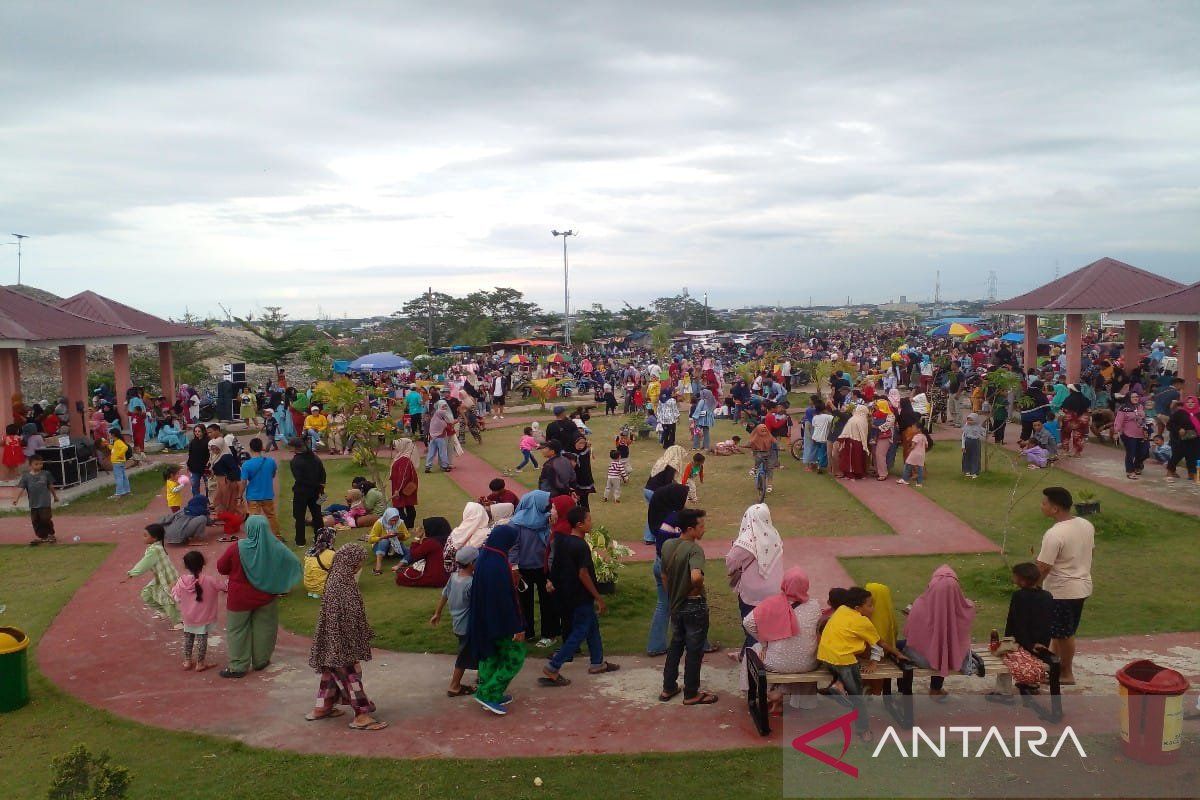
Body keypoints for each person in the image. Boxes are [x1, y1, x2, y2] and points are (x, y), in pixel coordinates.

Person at [305, 544, 388, 730]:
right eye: (359, 562)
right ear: (350, 562)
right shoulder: (341, 584)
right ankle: (361, 714)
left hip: (334, 638)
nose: (360, 566)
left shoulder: (338, 578)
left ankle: (323, 707)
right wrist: (348, 640)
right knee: (350, 674)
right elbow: (343, 615)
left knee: (331, 672)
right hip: (340, 640)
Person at [817, 586, 909, 741]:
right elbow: (880, 643)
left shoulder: (841, 611)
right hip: (843, 660)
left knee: (849, 664)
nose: (873, 609)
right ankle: (864, 729)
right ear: (858, 608)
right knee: (858, 697)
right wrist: (898, 654)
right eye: (870, 605)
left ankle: (838, 685)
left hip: (825, 657)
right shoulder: (862, 621)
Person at [217, 515, 302, 678]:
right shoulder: (275, 546)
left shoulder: (237, 547)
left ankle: (238, 666)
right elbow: (293, 562)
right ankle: (261, 661)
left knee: (237, 630)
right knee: (265, 628)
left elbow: (221, 567)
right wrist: (282, 583)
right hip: (266, 596)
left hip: (239, 598)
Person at [541, 507, 619, 685]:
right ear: (580, 524)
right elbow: (583, 574)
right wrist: (598, 597)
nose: (591, 523)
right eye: (589, 520)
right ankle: (553, 666)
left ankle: (597, 662)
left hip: (567, 593)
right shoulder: (581, 545)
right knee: (580, 631)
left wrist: (550, 581)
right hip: (581, 595)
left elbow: (556, 566)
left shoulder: (563, 541)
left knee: (592, 627)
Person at [465, 524, 526, 716]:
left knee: (491, 654)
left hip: (485, 619)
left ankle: (490, 690)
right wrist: (517, 626)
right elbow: (504, 600)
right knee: (514, 657)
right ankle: (488, 693)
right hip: (501, 622)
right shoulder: (497, 564)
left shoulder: (486, 555)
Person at [741, 567, 821, 714]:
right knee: (801, 650)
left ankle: (760, 694)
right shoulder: (815, 606)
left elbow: (747, 623)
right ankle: (800, 701)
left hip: (776, 663)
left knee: (752, 651)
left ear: (784, 583)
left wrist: (764, 642)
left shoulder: (771, 603)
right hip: (809, 664)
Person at [659, 508, 718, 706]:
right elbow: (695, 576)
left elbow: (664, 575)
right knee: (694, 651)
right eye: (702, 526)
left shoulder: (667, 545)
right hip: (694, 606)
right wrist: (697, 586)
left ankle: (668, 687)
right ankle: (691, 693)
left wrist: (674, 594)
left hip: (676, 606)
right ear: (691, 529)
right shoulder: (695, 550)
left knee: (675, 646)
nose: (705, 530)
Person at [1036, 486, 1094, 686]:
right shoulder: (1085, 525)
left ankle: (1066, 673)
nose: (1041, 506)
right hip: (1082, 587)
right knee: (1058, 632)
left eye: (1044, 503)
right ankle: (1052, 668)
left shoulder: (1054, 534)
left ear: (1055, 509)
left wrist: (1034, 586)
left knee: (1064, 634)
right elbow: (1090, 552)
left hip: (1062, 591)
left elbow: (1043, 566)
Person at [902, 565, 978, 697]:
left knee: (901, 645)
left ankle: (903, 691)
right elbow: (967, 607)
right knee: (943, 646)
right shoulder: (965, 608)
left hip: (924, 660)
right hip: (954, 658)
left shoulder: (919, 604)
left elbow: (908, 632)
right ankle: (936, 689)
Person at [988, 562, 1054, 702]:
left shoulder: (1019, 596)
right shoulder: (1047, 596)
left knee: (1004, 654)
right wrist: (1040, 644)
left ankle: (1003, 692)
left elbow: (1015, 623)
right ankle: (1031, 684)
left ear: (1022, 580)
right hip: (1041, 646)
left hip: (1023, 644)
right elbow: (1048, 623)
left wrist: (1008, 642)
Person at [726, 503, 785, 650]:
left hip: (753, 593)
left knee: (751, 626)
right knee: (769, 627)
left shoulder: (746, 540)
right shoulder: (773, 533)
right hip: (775, 590)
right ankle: (760, 655)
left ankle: (752, 659)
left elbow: (731, 561)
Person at [508, 490, 559, 647]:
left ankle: (549, 634)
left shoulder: (547, 519)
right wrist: (514, 568)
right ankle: (527, 632)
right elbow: (514, 546)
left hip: (540, 567)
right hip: (525, 568)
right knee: (525, 601)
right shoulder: (516, 523)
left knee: (547, 601)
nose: (548, 507)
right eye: (545, 504)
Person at [430, 545, 479, 697]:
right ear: (472, 563)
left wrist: (437, 613)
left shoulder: (454, 577)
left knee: (476, 651)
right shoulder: (471, 583)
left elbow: (445, 594)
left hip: (458, 625)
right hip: (467, 627)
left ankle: (482, 677)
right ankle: (454, 686)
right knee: (463, 657)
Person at [170, 550, 227, 672]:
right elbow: (224, 586)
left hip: (188, 617)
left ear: (185, 566)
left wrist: (175, 590)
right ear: (203, 563)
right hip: (204, 617)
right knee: (202, 640)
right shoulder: (210, 580)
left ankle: (187, 661)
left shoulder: (181, 581)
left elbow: (176, 597)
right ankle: (200, 663)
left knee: (188, 638)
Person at [122, 523, 182, 627]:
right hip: (161, 578)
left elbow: (144, 564)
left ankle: (178, 622)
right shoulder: (156, 547)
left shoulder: (154, 550)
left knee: (167, 600)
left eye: (145, 535)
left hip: (167, 579)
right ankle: (164, 612)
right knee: (146, 594)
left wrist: (131, 574)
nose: (143, 538)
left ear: (154, 538)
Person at [643, 445, 687, 543]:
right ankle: (660, 537)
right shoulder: (672, 464)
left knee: (652, 514)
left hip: (648, 489)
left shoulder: (661, 461)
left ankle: (649, 538)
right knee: (663, 515)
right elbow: (667, 482)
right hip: (656, 492)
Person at [13, 454, 58, 545]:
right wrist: (16, 499)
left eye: (41, 464)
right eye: (36, 464)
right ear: (30, 465)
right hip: (33, 503)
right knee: (35, 520)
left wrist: (55, 496)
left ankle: (51, 534)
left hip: (45, 502)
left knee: (45, 518)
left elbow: (50, 486)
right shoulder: (26, 477)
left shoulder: (46, 474)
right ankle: (42, 536)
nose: (39, 466)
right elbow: (21, 488)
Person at [395, 516, 451, 588]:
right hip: (450, 576)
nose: (425, 530)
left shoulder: (431, 542)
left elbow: (414, 555)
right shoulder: (451, 539)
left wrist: (417, 537)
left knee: (401, 577)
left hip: (436, 578)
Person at [290, 438, 326, 548]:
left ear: (295, 448)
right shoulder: (315, 458)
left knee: (299, 516)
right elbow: (323, 474)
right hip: (316, 491)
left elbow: (298, 478)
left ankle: (300, 540)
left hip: (301, 492)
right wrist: (320, 487)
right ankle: (320, 538)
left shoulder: (295, 461)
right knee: (317, 515)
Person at [241, 438, 280, 537]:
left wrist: (239, 495)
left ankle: (255, 538)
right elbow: (273, 474)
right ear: (261, 447)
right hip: (267, 494)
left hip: (253, 496)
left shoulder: (246, 465)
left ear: (250, 448)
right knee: (271, 517)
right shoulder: (271, 461)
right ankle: (276, 537)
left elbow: (244, 482)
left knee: (254, 519)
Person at [443, 502, 492, 569]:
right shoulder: (487, 534)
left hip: (452, 572)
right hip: (471, 574)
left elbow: (446, 556)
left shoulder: (456, 531)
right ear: (483, 514)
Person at [1165, 395, 1200, 483]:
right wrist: (1178, 429)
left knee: (1193, 457)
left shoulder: (1199, 413)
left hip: (1195, 439)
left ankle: (1192, 474)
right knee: (1177, 455)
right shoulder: (1180, 413)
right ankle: (1170, 471)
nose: (1190, 404)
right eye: (1188, 402)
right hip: (1181, 439)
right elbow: (1169, 424)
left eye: (1192, 402)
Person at [1113, 393, 1148, 479]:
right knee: (1130, 453)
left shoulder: (1140, 406)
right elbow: (1118, 421)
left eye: (1137, 396)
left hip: (1140, 434)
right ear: (1129, 398)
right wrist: (1116, 432)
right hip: (1128, 434)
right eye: (1133, 397)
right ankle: (1130, 471)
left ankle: (1137, 466)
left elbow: (1143, 419)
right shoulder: (1123, 408)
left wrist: (1146, 429)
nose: (1136, 398)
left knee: (1144, 452)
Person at [388, 438, 420, 529]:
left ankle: (406, 525)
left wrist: (398, 489)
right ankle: (408, 525)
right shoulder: (403, 457)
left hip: (402, 488)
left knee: (401, 507)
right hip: (402, 486)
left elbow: (403, 476)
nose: (395, 448)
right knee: (408, 506)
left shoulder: (404, 459)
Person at [367, 507, 409, 575]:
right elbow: (370, 540)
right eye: (392, 520)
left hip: (395, 546)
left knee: (411, 551)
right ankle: (378, 568)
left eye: (396, 520)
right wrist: (384, 537)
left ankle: (398, 566)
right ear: (387, 517)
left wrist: (401, 536)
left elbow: (407, 535)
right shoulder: (379, 523)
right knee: (385, 541)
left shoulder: (400, 522)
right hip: (379, 547)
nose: (394, 522)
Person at [836, 405, 870, 480]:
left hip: (851, 441)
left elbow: (846, 431)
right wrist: (865, 444)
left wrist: (841, 439)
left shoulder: (854, 419)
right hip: (860, 442)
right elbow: (864, 433)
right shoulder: (864, 420)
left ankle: (850, 475)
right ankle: (859, 474)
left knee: (849, 459)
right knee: (858, 459)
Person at [302, 527, 337, 599]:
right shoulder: (331, 554)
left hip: (308, 586)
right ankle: (320, 590)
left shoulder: (310, 551)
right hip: (322, 588)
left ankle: (314, 591)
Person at [425, 399, 455, 473]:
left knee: (431, 452)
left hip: (432, 438)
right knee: (442, 452)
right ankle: (445, 466)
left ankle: (428, 466)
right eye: (443, 406)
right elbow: (449, 424)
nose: (445, 408)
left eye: (445, 406)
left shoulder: (434, 417)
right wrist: (455, 421)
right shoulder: (442, 421)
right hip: (440, 438)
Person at [898, 423, 930, 487]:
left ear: (919, 429)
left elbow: (913, 445)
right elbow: (926, 445)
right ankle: (919, 483)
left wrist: (909, 450)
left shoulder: (916, 436)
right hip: (921, 454)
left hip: (914, 453)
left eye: (914, 428)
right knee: (920, 467)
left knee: (907, 465)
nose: (912, 429)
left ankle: (904, 479)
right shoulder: (924, 436)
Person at [186, 425, 209, 497]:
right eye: (195, 431)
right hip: (194, 468)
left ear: (203, 431)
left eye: (199, 431)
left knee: (208, 486)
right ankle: (196, 500)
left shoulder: (208, 441)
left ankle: (209, 501)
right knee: (195, 486)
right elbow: (190, 454)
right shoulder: (193, 442)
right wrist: (188, 464)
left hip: (206, 468)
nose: (197, 433)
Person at [960, 414, 985, 478]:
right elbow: (963, 437)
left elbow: (983, 434)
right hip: (967, 443)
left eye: (971, 420)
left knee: (975, 457)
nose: (969, 422)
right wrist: (963, 446)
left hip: (975, 443)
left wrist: (984, 432)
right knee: (966, 457)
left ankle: (974, 472)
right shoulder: (966, 427)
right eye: (968, 420)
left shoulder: (978, 427)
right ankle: (967, 470)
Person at [109, 431, 131, 500]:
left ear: (113, 435)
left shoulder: (118, 441)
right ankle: (126, 491)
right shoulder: (117, 442)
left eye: (110, 434)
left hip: (117, 462)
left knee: (119, 478)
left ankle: (118, 493)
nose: (109, 436)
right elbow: (114, 449)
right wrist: (108, 445)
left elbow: (125, 447)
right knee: (123, 477)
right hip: (120, 462)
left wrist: (118, 455)